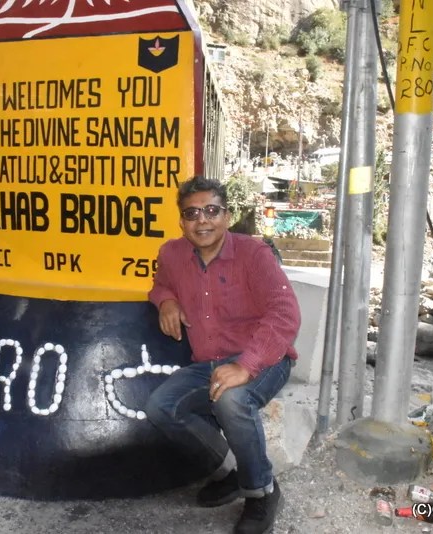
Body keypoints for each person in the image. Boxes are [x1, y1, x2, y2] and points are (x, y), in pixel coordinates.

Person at [145, 176, 301, 534]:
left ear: (227, 216)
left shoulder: (253, 254)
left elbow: (285, 312)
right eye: (192, 213)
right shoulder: (171, 254)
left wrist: (246, 365)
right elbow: (161, 283)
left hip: (265, 359)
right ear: (182, 221)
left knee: (231, 401)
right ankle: (241, 471)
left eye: (212, 210)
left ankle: (262, 492)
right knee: (161, 408)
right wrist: (165, 300)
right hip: (209, 363)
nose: (203, 220)